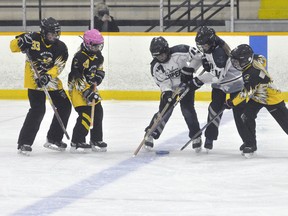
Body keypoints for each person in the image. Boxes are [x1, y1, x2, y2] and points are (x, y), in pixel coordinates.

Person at [10, 17, 71, 155]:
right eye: (51, 34)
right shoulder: (32, 38)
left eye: (56, 33)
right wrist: (20, 41)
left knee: (65, 106)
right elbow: (12, 47)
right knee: (38, 110)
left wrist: (48, 76)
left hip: (52, 82)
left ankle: (54, 138)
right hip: (34, 82)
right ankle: (24, 142)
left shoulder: (61, 47)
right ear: (43, 32)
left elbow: (59, 66)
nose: (54, 36)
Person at [188, 26, 246, 152]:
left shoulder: (218, 53)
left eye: (204, 45)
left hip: (234, 83)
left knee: (239, 113)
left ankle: (248, 142)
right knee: (214, 108)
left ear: (211, 43)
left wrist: (199, 80)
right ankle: (210, 138)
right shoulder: (212, 43)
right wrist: (206, 64)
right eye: (201, 45)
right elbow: (212, 67)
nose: (203, 48)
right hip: (220, 84)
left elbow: (217, 77)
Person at [224, 44, 288, 156]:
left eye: (237, 61)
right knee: (246, 116)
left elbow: (246, 93)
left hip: (271, 99)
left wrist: (231, 103)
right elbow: (262, 59)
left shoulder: (251, 73)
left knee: (286, 123)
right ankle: (250, 144)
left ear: (245, 60)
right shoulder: (255, 59)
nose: (235, 64)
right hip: (257, 97)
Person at [143, 36, 203, 152]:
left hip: (186, 85)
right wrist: (167, 93)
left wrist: (190, 69)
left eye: (162, 54)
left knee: (188, 110)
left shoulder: (180, 50)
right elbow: (163, 82)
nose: (160, 58)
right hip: (171, 89)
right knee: (164, 111)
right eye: (157, 56)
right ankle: (150, 133)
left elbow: (198, 57)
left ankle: (196, 136)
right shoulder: (155, 66)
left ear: (167, 50)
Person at [68, 29, 107, 153]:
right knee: (86, 113)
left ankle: (96, 139)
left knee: (98, 111)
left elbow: (100, 70)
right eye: (95, 46)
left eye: (99, 45)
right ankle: (77, 140)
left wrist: (98, 77)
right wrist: (86, 92)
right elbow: (76, 76)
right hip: (77, 89)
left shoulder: (98, 56)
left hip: (90, 88)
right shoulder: (79, 57)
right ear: (87, 43)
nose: (98, 48)